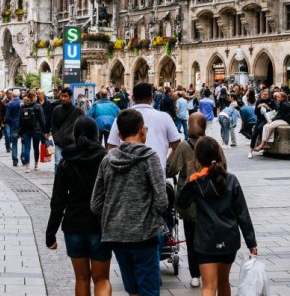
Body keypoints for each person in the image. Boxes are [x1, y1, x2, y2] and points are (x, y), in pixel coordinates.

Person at [91, 109, 168, 296]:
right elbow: (162, 200)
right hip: (144, 234)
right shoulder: (149, 157)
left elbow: (95, 203)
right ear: (143, 130)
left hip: (116, 236)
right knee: (149, 290)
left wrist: (114, 214)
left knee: (132, 290)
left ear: (118, 135)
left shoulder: (107, 160)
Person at [176, 136, 257, 296]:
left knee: (208, 287)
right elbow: (242, 213)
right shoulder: (231, 180)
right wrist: (251, 242)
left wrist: (191, 183)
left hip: (206, 241)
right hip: (229, 239)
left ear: (198, 158)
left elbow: (181, 203)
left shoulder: (197, 183)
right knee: (224, 282)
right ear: (219, 155)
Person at [46, 117, 110, 296]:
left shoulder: (66, 162)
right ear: (96, 135)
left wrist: (51, 233)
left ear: (74, 135)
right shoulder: (105, 160)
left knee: (81, 279)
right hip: (99, 226)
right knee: (102, 279)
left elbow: (58, 201)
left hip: (74, 225)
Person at [167, 112, 207, 287]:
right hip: (208, 201)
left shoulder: (183, 146)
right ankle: (206, 271)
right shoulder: (212, 144)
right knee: (206, 239)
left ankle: (195, 274)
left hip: (189, 202)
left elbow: (170, 171)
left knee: (191, 240)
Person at [107, 82, 181, 176]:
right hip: (157, 172)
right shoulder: (165, 117)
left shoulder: (121, 118)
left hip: (127, 175)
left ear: (133, 98)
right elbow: (177, 146)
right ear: (152, 97)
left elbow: (111, 147)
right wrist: (166, 162)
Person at [19, 91, 47, 172]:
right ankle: (36, 164)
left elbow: (20, 120)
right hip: (36, 130)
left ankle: (27, 167)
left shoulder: (23, 106)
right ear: (34, 97)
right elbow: (42, 120)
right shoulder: (38, 106)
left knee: (27, 148)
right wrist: (44, 131)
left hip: (26, 130)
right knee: (36, 147)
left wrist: (20, 131)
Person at [6, 90, 23, 166]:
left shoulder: (10, 104)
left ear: (13, 95)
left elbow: (7, 117)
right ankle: (23, 157)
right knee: (24, 142)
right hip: (23, 125)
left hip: (14, 124)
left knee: (14, 143)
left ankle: (15, 160)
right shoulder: (23, 103)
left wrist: (11, 122)